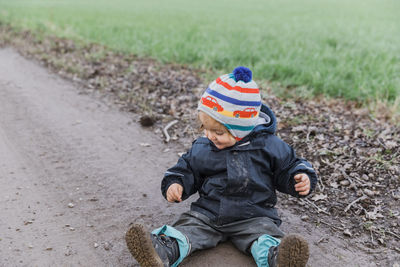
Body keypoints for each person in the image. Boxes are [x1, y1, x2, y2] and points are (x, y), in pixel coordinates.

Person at [125, 66, 318, 267]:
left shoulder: (269, 147)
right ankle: (161, 251)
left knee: (265, 238)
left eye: (217, 131)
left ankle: (278, 259)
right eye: (204, 128)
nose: (209, 135)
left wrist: (300, 177)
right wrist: (176, 183)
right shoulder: (203, 147)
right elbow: (186, 168)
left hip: (254, 216)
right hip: (209, 213)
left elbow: (289, 166)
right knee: (186, 229)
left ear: (241, 128)